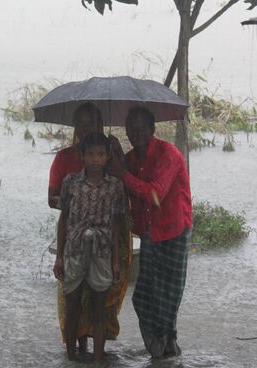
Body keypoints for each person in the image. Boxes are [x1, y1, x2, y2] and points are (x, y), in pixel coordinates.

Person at [108, 106, 193, 359]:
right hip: (149, 232)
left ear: (152, 129)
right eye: (131, 130)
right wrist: (115, 154)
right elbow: (124, 185)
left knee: (168, 298)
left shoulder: (169, 154)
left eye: (141, 128)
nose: (136, 134)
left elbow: (155, 195)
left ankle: (167, 350)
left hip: (174, 229)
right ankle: (161, 350)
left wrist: (122, 173)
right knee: (143, 296)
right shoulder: (132, 160)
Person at [47, 103, 131, 356]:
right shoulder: (66, 164)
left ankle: (97, 353)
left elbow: (124, 200)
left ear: (101, 126)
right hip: (74, 236)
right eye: (81, 124)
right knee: (73, 300)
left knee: (102, 299)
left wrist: (117, 157)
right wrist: (75, 204)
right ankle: (75, 350)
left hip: (108, 240)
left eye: (92, 123)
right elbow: (54, 201)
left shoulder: (113, 158)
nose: (85, 129)